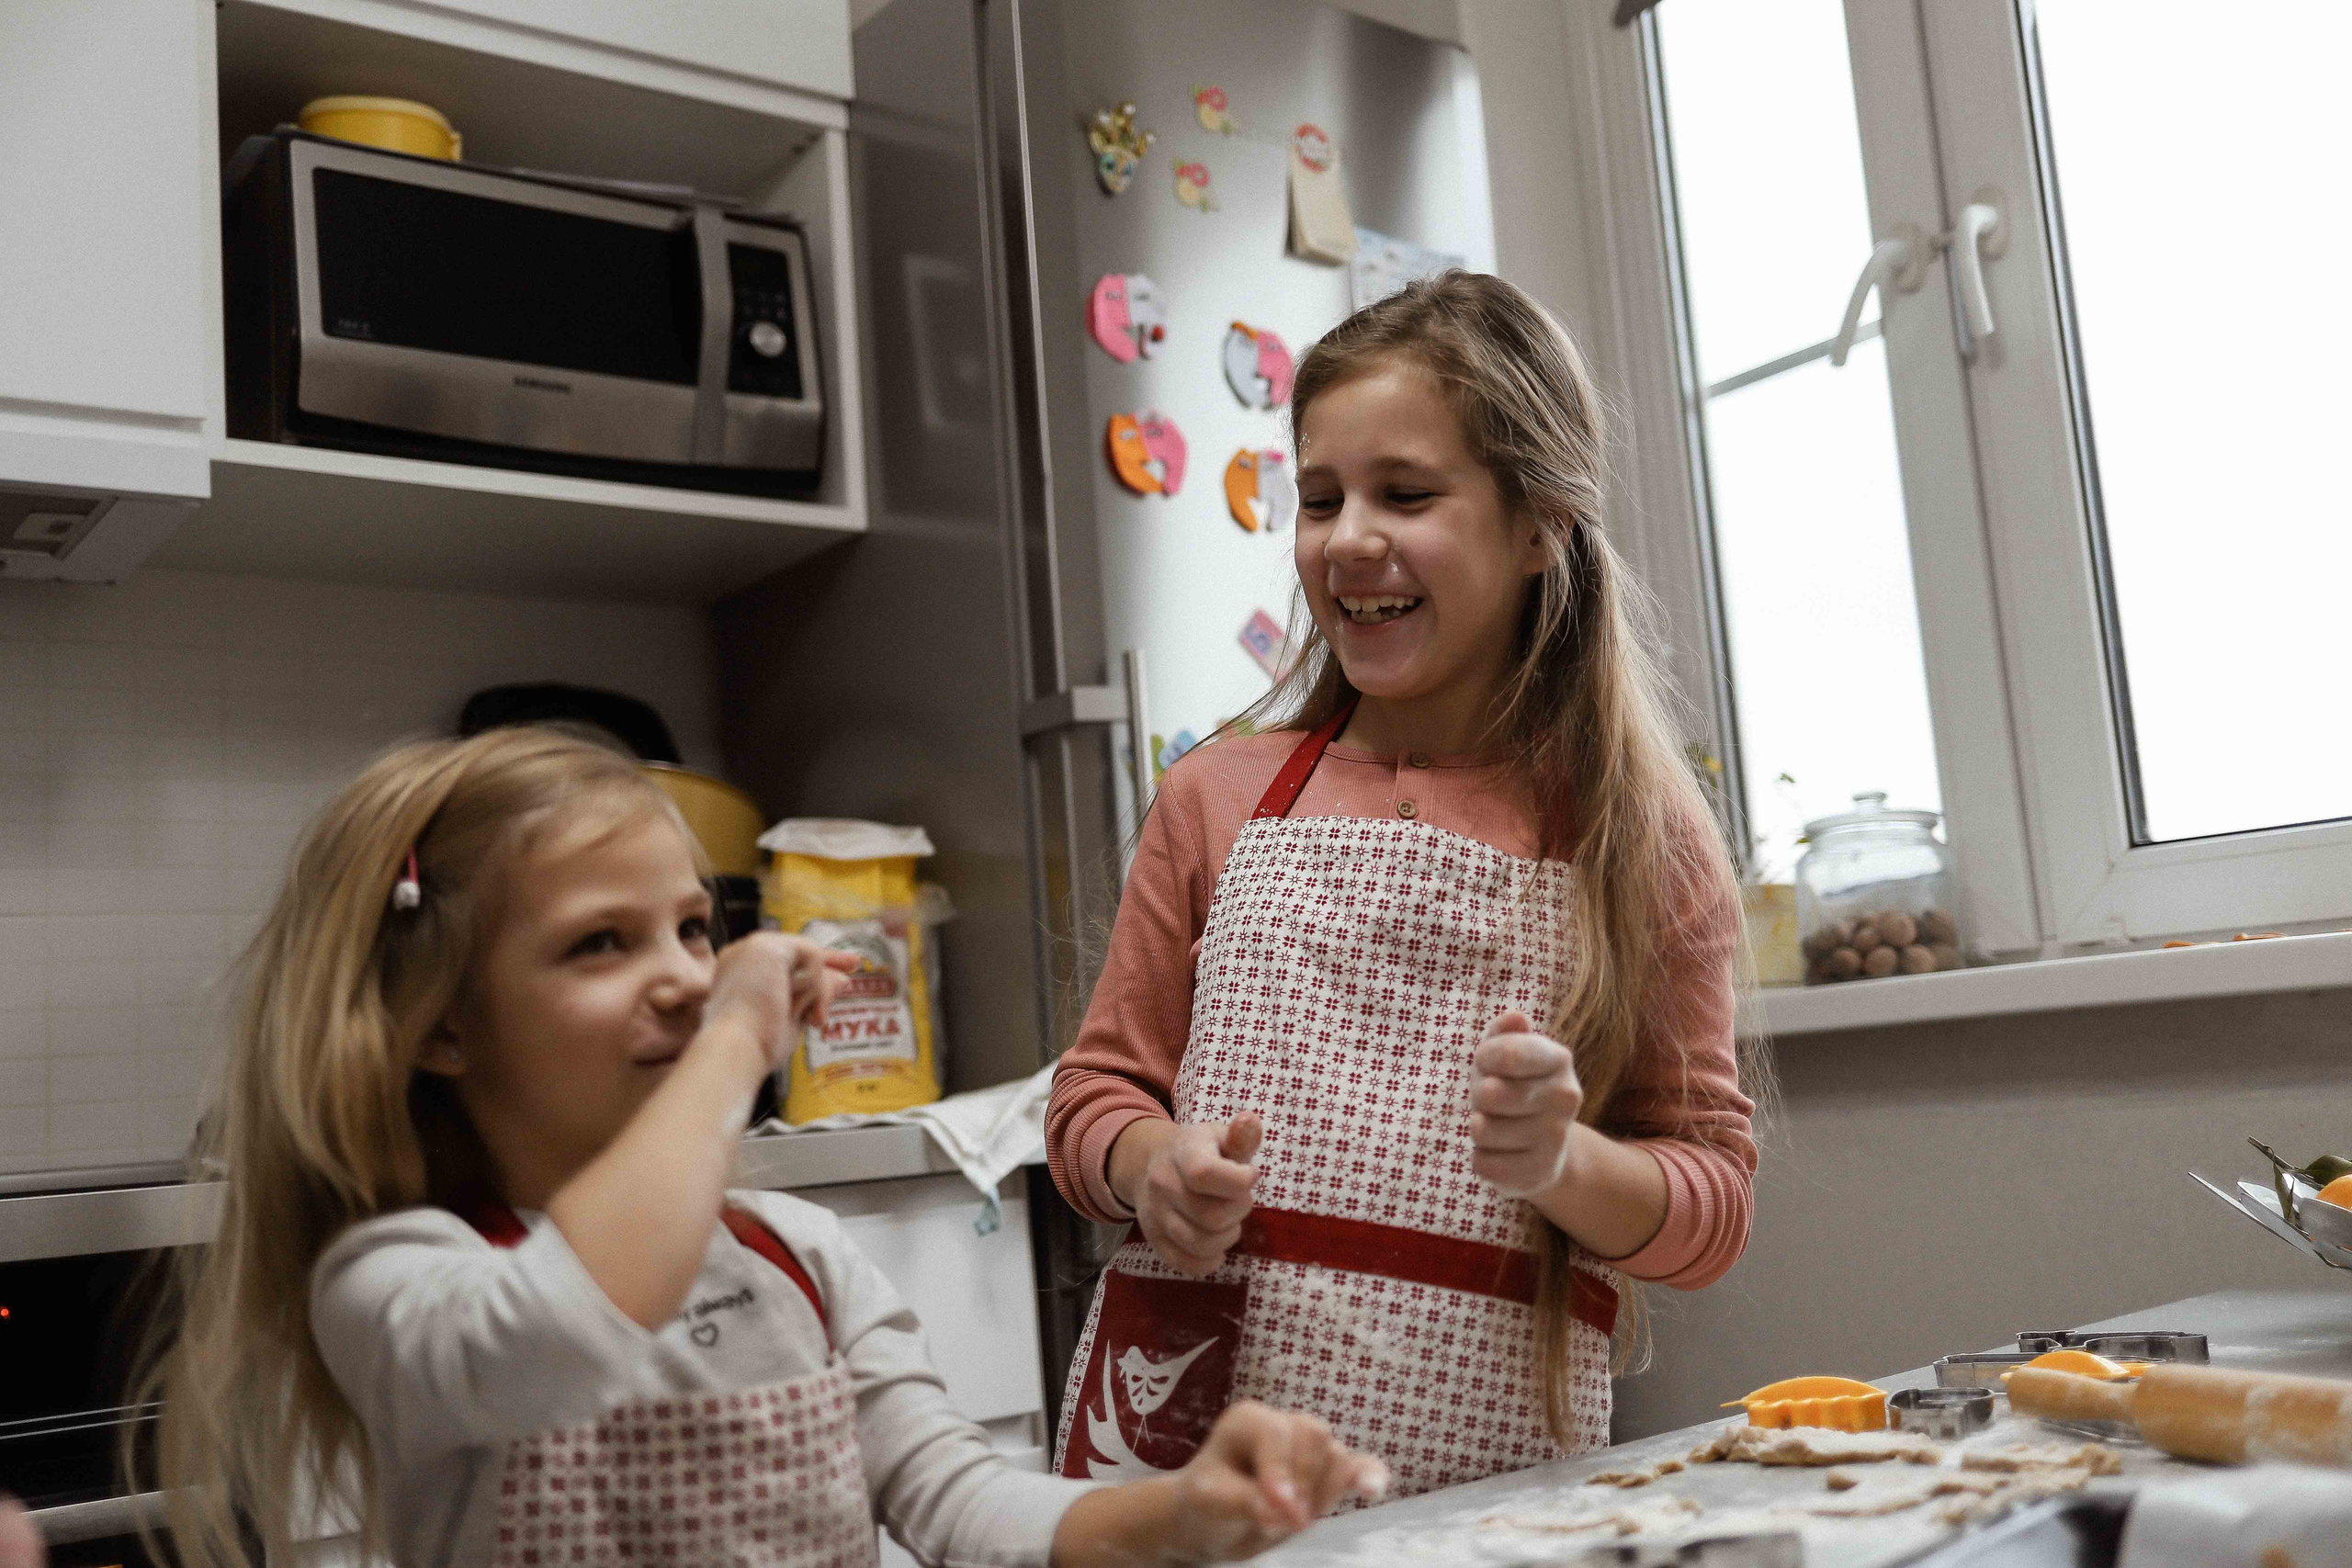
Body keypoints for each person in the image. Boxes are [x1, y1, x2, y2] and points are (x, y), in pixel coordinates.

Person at [134, 728, 1384, 1568]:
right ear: (445, 1028)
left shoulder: (794, 1255)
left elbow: (956, 1499)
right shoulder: (397, 1279)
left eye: (691, 928)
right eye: (599, 945)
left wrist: (1179, 1513)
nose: (685, 979)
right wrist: (737, 1041)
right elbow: (567, 1327)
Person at [1046, 272, 1758, 1495]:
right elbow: (1093, 1098)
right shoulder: (1216, 796)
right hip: (1192, 1464)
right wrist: (1148, 1162)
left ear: (1541, 527)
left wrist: (1560, 1164)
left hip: (1483, 1483)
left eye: (1407, 494)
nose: (1350, 537)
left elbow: (1710, 1209)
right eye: (1320, 499)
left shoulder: (1638, 841)